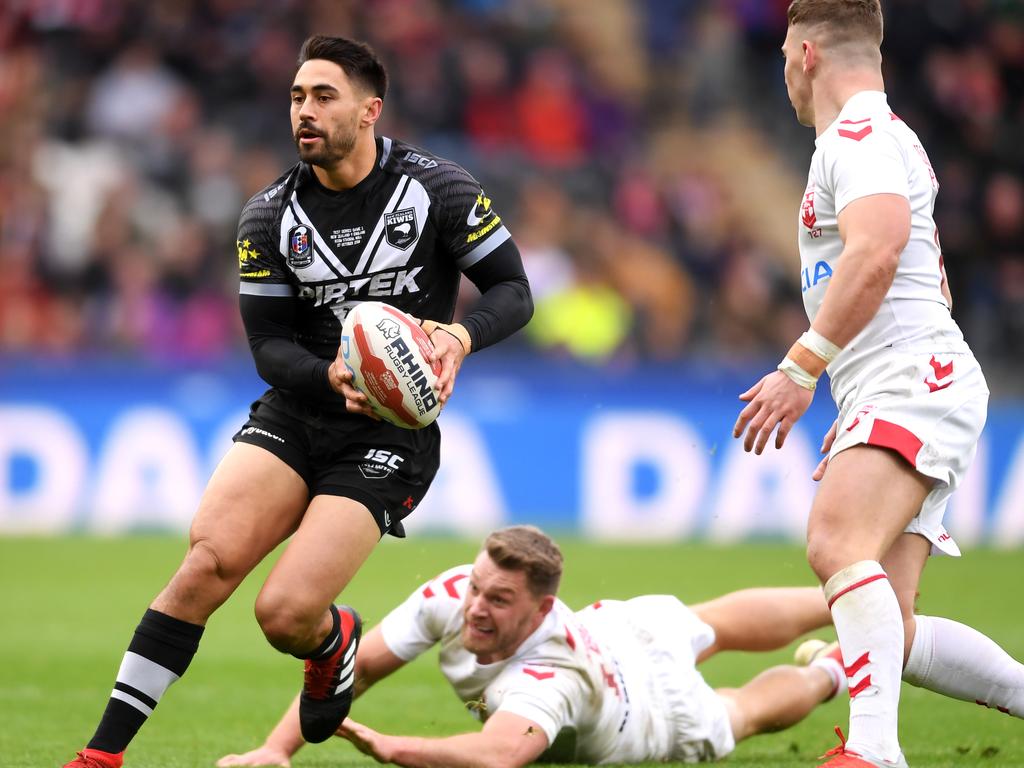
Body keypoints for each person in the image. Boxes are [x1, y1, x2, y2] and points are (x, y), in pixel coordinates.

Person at [64, 35, 533, 768]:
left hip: (389, 435)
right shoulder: (268, 216)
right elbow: (269, 347)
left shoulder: (440, 190)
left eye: (322, 96)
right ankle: (101, 756)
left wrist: (460, 339)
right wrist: (328, 378)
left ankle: (331, 640)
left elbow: (513, 291)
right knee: (204, 565)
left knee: (282, 615)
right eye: (295, 97)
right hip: (299, 407)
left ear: (370, 110)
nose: (304, 112)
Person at [734, 2, 1024, 766]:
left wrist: (802, 369)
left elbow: (880, 250)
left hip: (911, 374)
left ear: (804, 55)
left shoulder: (858, 136)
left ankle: (872, 754)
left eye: (786, 61)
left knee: (835, 543)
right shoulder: (884, 137)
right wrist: (859, 393)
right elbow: (928, 275)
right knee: (887, 618)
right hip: (910, 375)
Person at [215, 525, 847, 767]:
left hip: (653, 712)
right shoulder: (458, 592)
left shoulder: (549, 675)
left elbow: (496, 756)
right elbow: (357, 666)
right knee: (703, 621)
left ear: (541, 608)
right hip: (614, 629)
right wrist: (276, 750)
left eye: (498, 601)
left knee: (743, 711)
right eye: (478, 588)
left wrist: (390, 746)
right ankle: (850, 597)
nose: (476, 608)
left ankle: (832, 667)